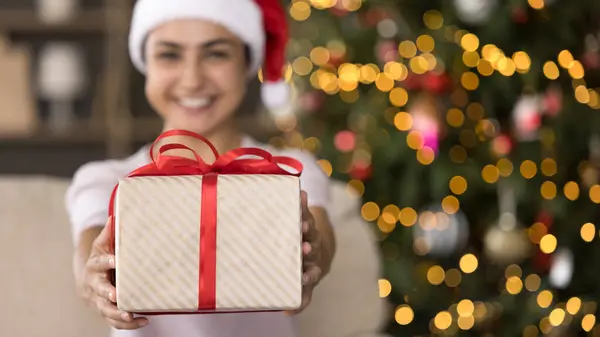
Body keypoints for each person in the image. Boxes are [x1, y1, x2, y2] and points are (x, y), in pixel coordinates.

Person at [65, 0, 336, 336]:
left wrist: (312, 255)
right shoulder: (107, 180)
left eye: (216, 53)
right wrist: (95, 279)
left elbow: (322, 243)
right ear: (145, 63)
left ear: (247, 63)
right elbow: (88, 254)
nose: (192, 80)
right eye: (169, 54)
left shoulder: (288, 171)